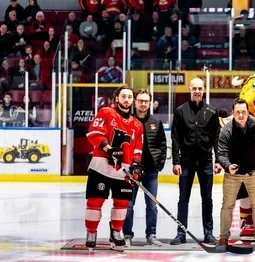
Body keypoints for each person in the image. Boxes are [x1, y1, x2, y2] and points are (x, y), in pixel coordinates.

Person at [85, 86, 145, 252]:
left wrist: (136, 166)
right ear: (117, 98)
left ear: (133, 100)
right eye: (123, 96)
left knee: (122, 203)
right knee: (95, 201)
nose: (127, 100)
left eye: (130, 97)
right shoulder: (105, 112)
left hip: (122, 170)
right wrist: (108, 149)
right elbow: (94, 133)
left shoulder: (138, 125)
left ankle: (116, 233)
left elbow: (137, 150)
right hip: (101, 167)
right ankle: (91, 233)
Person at [216, 98, 255, 251]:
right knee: (227, 205)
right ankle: (223, 237)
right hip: (232, 174)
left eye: (244, 112)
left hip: (253, 173)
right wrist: (227, 166)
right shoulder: (227, 129)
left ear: (248, 112)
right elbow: (221, 153)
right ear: (232, 113)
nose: (241, 115)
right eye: (238, 112)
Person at [170, 78, 222, 245]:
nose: (197, 91)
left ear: (204, 89)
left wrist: (218, 160)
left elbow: (216, 138)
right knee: (183, 198)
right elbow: (175, 138)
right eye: (194, 88)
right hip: (186, 162)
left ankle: (208, 233)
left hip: (206, 161)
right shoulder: (180, 111)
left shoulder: (212, 111)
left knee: (207, 198)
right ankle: (180, 233)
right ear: (190, 89)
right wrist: (176, 162)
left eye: (200, 88)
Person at [123, 90, 167, 247]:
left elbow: (162, 144)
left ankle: (151, 234)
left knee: (152, 205)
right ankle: (127, 235)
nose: (143, 104)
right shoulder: (127, 121)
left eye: (146, 101)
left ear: (150, 103)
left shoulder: (155, 121)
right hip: (131, 170)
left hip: (150, 171)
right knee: (128, 205)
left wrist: (159, 164)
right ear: (135, 102)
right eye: (140, 101)